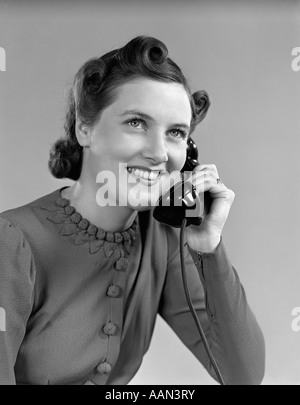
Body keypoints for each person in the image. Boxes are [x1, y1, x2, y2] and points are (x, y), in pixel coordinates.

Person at [0, 35, 265, 385]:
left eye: (175, 132)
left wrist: (209, 250)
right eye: (136, 122)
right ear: (85, 127)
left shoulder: (165, 239)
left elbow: (242, 375)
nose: (158, 152)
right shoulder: (14, 242)